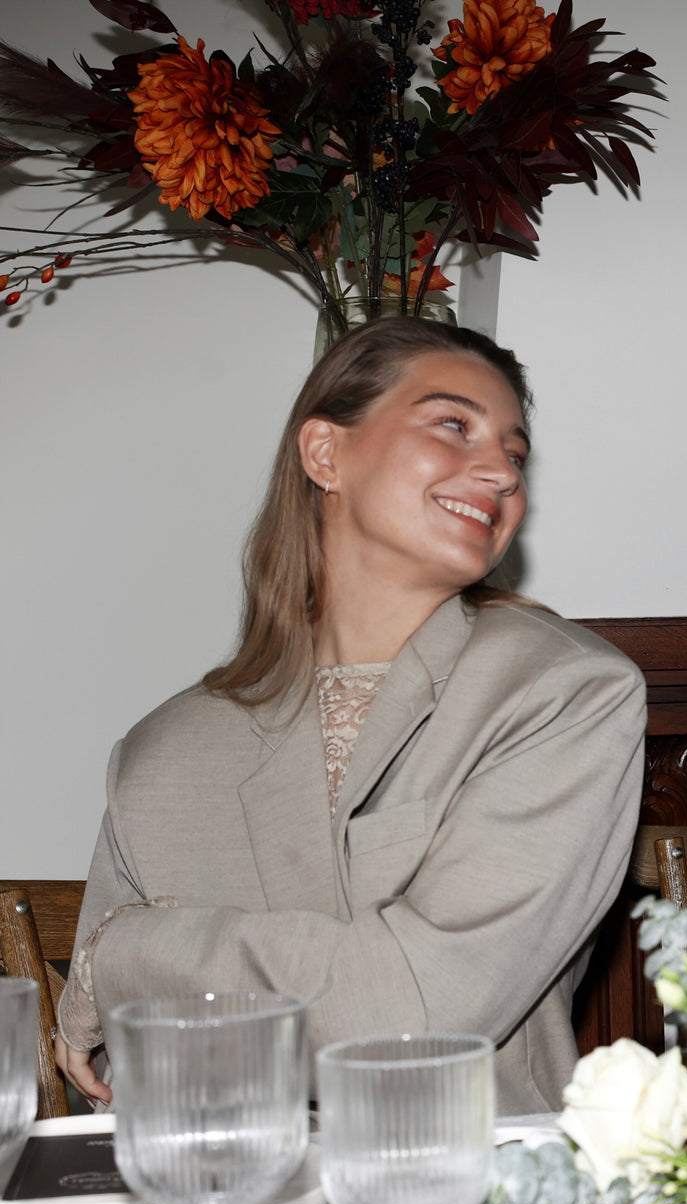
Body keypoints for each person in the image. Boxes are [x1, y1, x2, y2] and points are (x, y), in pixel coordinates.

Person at [54, 317, 646, 1114]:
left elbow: (412, 1015)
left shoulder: (564, 695)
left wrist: (122, 955)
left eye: (514, 452)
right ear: (326, 454)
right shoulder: (162, 754)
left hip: (481, 1202)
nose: (503, 473)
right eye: (453, 424)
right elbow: (127, 1077)